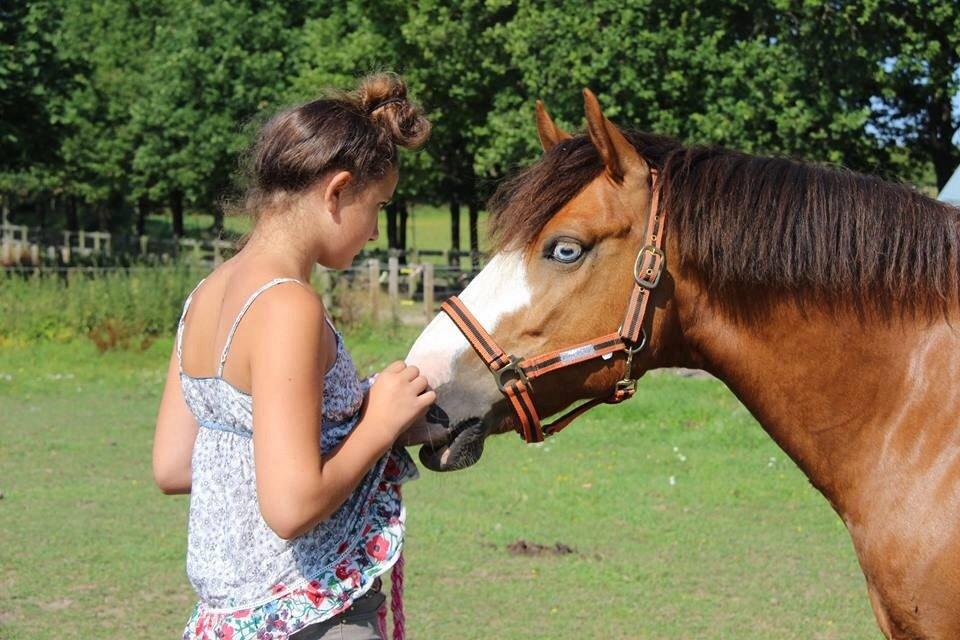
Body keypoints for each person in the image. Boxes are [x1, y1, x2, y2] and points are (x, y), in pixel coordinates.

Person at [152, 73, 434, 640]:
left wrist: (329, 431)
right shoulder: (289, 307)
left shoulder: (204, 297)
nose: (376, 230)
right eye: (377, 206)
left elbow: (174, 466)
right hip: (309, 616)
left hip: (227, 620)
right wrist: (377, 425)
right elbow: (290, 505)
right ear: (336, 191)